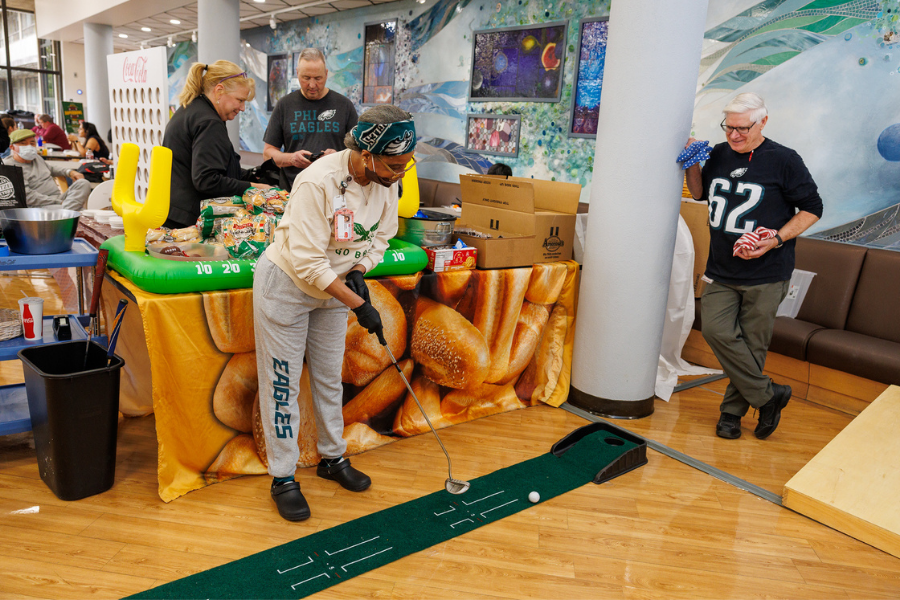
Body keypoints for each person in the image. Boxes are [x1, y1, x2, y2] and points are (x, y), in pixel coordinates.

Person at [254, 105, 416, 522]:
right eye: (394, 165)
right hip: (286, 286)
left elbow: (383, 236)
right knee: (282, 384)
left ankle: (332, 457)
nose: (400, 173)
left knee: (329, 377)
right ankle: (283, 476)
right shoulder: (317, 181)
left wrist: (360, 270)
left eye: (406, 165)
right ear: (367, 153)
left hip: (334, 288)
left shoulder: (386, 182)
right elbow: (309, 264)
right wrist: (360, 304)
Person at [685, 92, 822, 441]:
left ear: (763, 122)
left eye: (742, 128)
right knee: (715, 331)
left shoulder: (785, 160)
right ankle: (768, 396)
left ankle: (731, 414)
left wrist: (776, 239)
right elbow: (699, 194)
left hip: (767, 272)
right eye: (728, 127)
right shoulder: (719, 153)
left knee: (752, 344)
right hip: (721, 268)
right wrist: (692, 163)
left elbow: (812, 208)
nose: (734, 135)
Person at [162, 60, 268, 228]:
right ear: (219, 91)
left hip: (173, 212)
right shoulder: (209, 122)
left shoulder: (192, 109)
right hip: (188, 220)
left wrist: (249, 175)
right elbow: (206, 180)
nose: (242, 108)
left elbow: (211, 166)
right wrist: (252, 187)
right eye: (239, 100)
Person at [263, 48, 358, 191]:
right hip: (294, 190)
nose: (312, 85)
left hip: (336, 190)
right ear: (297, 73)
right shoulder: (284, 105)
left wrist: (339, 157)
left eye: (318, 78)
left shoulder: (344, 105)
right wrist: (291, 159)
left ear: (326, 74)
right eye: (306, 78)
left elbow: (360, 153)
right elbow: (267, 153)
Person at [2, 129, 91, 211]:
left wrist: (70, 172)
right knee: (80, 210)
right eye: (23, 143)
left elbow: (51, 168)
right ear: (12, 147)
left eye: (32, 143)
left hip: (58, 199)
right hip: (39, 206)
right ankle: (69, 211)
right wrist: (58, 202)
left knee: (83, 183)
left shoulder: (36, 158)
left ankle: (67, 211)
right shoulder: (9, 167)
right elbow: (28, 197)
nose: (29, 146)